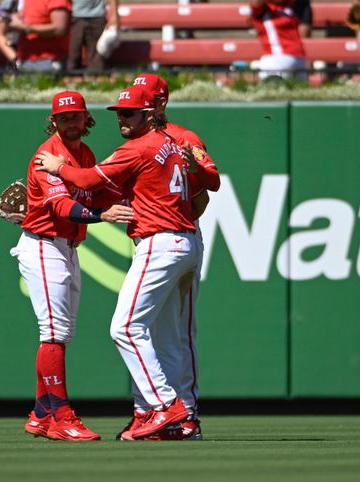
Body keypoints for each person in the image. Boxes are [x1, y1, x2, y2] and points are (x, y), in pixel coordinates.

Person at [35, 85, 201, 441]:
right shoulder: (173, 143)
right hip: (185, 240)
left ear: (150, 114)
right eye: (119, 112)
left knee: (125, 329)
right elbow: (204, 187)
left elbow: (90, 180)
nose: (122, 118)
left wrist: (61, 169)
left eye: (129, 112)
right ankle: (166, 417)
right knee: (167, 337)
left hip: (160, 243)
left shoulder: (137, 147)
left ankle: (165, 407)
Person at [15, 90, 134, 442]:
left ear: (86, 119)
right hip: (42, 245)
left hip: (67, 247)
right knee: (52, 332)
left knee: (61, 334)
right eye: (63, 117)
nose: (70, 122)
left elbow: (94, 192)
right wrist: (103, 215)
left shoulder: (84, 154)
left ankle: (40, 414)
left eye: (76, 116)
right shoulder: (46, 156)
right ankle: (61, 415)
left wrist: (123, 194)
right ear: (53, 121)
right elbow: (63, 208)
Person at [124, 73, 221, 441]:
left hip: (176, 237)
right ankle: (152, 413)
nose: (131, 110)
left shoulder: (183, 138)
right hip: (154, 240)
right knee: (149, 330)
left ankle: (186, 414)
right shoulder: (139, 142)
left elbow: (207, 191)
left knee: (177, 333)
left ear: (158, 105)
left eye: (141, 102)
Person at [0, 0, 71, 74]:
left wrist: (25, 28)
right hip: (24, 61)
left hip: (49, 62)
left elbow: (59, 29)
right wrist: (16, 60)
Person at [250, 0, 307, 81]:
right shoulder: (263, 9)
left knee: (297, 91)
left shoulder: (286, 7)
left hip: (294, 57)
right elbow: (256, 3)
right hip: (278, 56)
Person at [66, 0, 119, 73]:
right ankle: (71, 80)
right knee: (73, 55)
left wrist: (114, 16)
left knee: (96, 59)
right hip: (75, 16)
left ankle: (94, 80)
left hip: (97, 16)